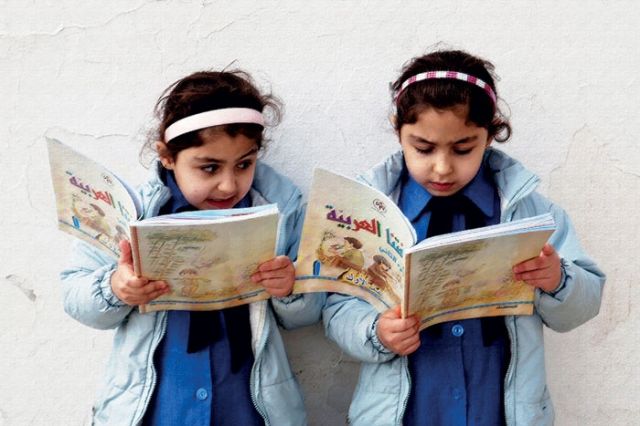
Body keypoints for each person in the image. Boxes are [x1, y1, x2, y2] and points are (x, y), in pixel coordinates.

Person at [322, 49, 605, 426]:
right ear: (397, 131)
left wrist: (557, 279)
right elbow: (337, 307)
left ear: (490, 135)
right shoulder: (370, 212)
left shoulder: (529, 211)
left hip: (499, 411)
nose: (442, 168)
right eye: (423, 148)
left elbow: (585, 303)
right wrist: (375, 333)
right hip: (408, 412)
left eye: (463, 149)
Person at [60, 70, 324, 425]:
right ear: (167, 156)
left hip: (246, 406)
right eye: (209, 168)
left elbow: (308, 313)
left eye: (244, 164)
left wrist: (289, 289)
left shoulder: (282, 208)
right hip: (158, 407)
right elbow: (75, 297)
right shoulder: (130, 212)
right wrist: (116, 289)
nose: (229, 185)